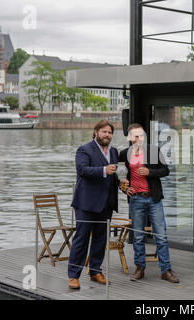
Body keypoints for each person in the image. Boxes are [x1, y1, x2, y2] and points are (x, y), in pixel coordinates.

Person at [68, 120, 128, 290]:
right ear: (96, 132)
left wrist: (121, 181)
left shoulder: (114, 152)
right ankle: (73, 276)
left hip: (106, 204)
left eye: (109, 133)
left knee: (101, 241)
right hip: (86, 204)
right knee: (81, 240)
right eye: (104, 132)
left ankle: (95, 271)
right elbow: (82, 170)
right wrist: (103, 170)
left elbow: (114, 175)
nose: (107, 135)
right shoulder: (84, 149)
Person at [119, 123, 179, 283]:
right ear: (130, 137)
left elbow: (165, 170)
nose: (140, 138)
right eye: (136, 135)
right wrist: (123, 187)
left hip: (154, 199)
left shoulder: (153, 151)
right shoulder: (125, 154)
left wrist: (150, 172)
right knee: (138, 237)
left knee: (161, 236)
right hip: (136, 199)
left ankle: (166, 271)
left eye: (142, 135)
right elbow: (116, 174)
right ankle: (140, 268)